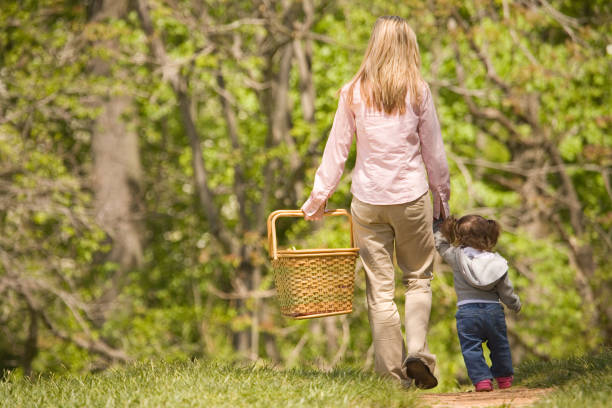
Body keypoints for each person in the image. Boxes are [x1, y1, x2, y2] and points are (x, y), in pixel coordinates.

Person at [301, 15, 450, 389]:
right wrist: (442, 196)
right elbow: (434, 150)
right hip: (410, 198)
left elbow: (337, 149)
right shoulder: (418, 90)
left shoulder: (353, 91)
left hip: (367, 200)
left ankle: (391, 379)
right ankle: (417, 351)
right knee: (418, 280)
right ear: (408, 48)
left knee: (380, 292)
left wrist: (319, 196)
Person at [433, 215, 521, 392]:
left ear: (459, 236)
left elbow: (440, 245)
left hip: (467, 312)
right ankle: (504, 379)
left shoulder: (456, 257)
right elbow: (506, 290)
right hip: (493, 311)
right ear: (488, 234)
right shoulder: (496, 262)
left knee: (471, 348)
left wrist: (438, 226)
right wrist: (514, 304)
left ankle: (482, 381)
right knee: (499, 345)